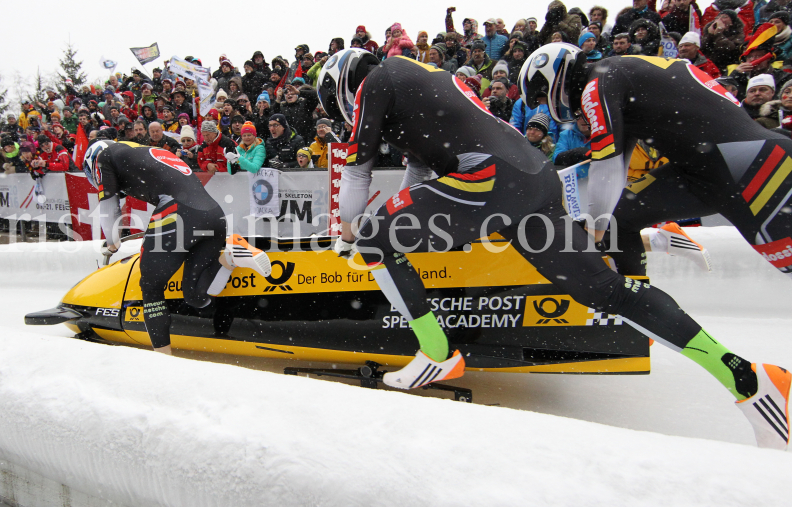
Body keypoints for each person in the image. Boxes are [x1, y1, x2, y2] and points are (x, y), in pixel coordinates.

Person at [319, 48, 790, 450]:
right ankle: (747, 377)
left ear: (343, 86)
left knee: (375, 237)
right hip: (533, 180)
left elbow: (357, 172)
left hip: (488, 177)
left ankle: (436, 351)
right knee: (605, 291)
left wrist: (347, 235)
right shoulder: (419, 86)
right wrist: (409, 225)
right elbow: (420, 176)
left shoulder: (379, 80)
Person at [520, 42, 792, 449]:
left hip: (753, 170)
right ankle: (640, 309)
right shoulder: (618, 75)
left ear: (555, 77)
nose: (547, 104)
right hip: (705, 170)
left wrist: (590, 236)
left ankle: (766, 386)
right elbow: (613, 173)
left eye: (542, 96)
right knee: (617, 221)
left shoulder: (599, 82)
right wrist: (597, 229)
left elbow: (608, 167)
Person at [81, 140, 272, 355]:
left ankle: (163, 358)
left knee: (151, 286)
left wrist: (112, 242)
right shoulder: (150, 153)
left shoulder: (105, 157)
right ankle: (231, 257)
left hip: (177, 213)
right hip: (214, 216)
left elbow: (109, 207)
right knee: (196, 297)